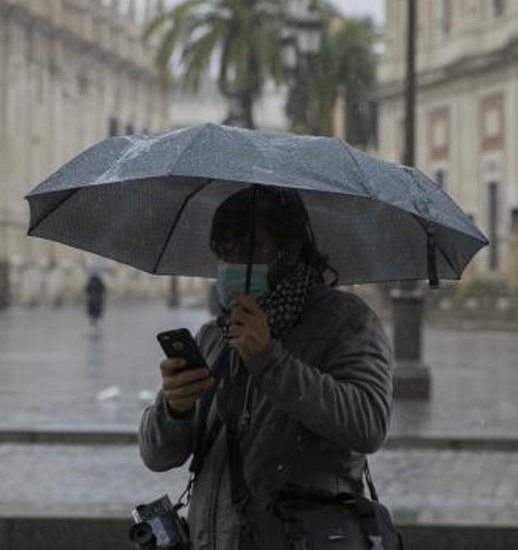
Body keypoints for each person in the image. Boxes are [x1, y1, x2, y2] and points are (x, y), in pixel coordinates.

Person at [138, 186, 393, 550]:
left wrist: (270, 362)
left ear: (288, 252)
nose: (232, 263)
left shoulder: (346, 322)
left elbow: (368, 424)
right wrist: (173, 409)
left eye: (249, 249)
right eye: (224, 252)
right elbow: (156, 455)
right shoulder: (214, 336)